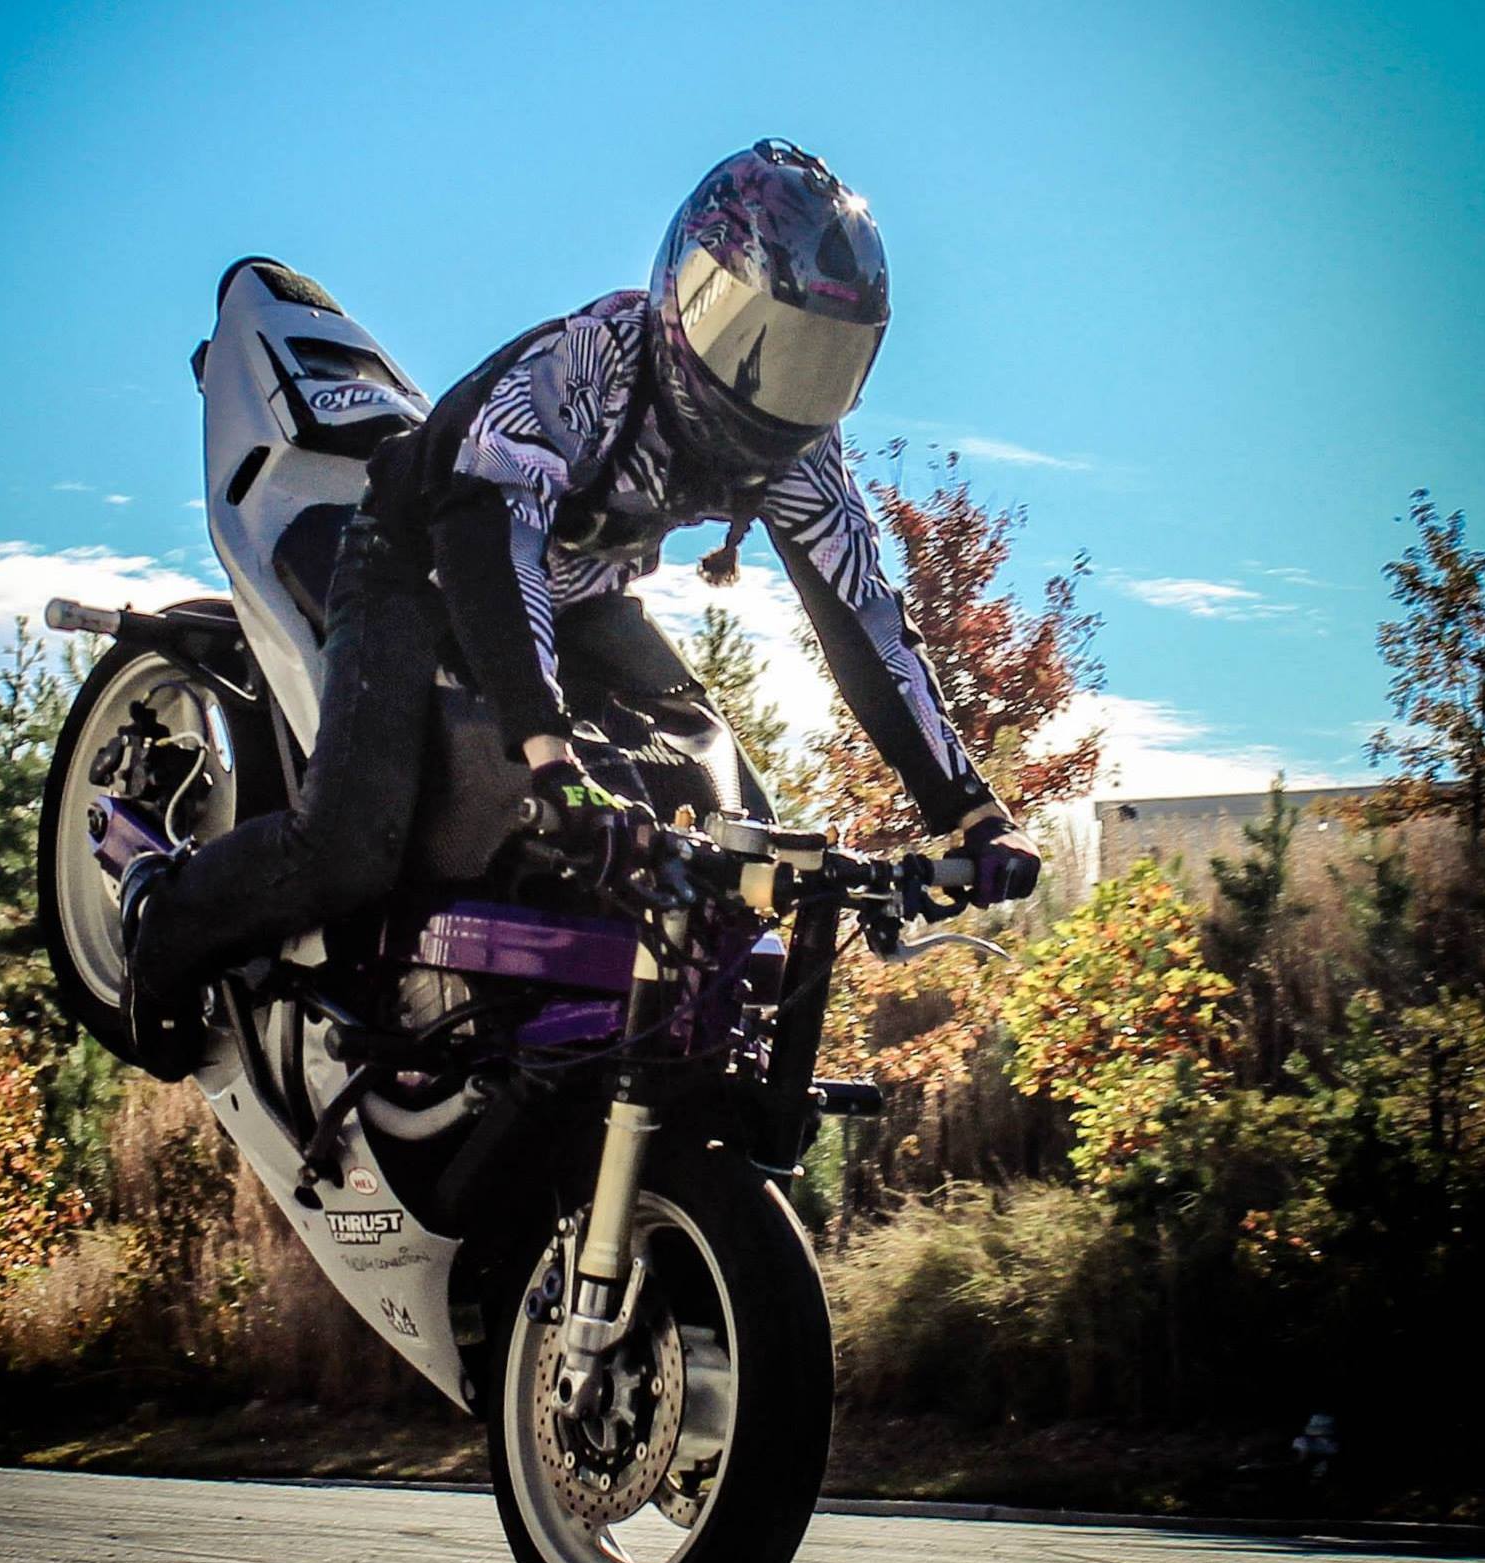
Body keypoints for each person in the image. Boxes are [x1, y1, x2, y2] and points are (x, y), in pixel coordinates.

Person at [122, 139, 1040, 1080]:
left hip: (579, 595)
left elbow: (864, 617)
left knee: (736, 857)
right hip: (420, 565)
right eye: (760, 341)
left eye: (819, 359)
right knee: (350, 846)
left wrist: (970, 812)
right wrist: (548, 754)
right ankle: (163, 936)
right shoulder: (586, 366)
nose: (781, 384)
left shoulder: (801, 455)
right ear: (688, 290)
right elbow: (492, 547)